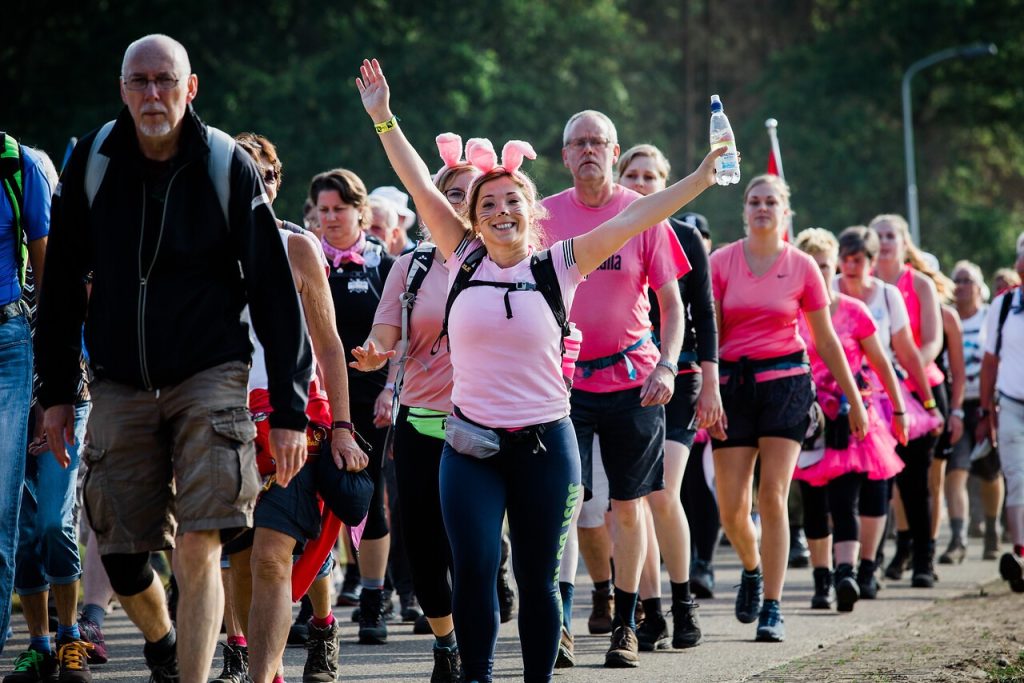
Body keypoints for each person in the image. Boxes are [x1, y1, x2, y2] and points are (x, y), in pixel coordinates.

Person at [355, 57, 722, 683]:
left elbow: (638, 215)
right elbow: (417, 182)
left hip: (547, 447)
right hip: (467, 445)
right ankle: (475, 676)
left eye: (512, 201)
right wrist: (384, 117)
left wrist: (701, 177)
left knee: (538, 581)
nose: (501, 211)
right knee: (472, 570)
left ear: (532, 211)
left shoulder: (561, 264)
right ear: (473, 216)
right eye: (488, 203)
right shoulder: (461, 254)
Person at [35, 35, 312, 682]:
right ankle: (163, 639)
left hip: (210, 375)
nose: (153, 94)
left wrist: (293, 410)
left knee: (201, 536)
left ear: (191, 89)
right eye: (140, 81)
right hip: (120, 381)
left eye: (166, 80)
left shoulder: (224, 163)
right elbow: (61, 283)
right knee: (124, 552)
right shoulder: (93, 162)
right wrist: (54, 392)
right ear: (122, 87)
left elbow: (275, 291)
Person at [541, 112, 690, 669]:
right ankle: (559, 624)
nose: (587, 150)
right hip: (563, 385)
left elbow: (673, 305)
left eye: (596, 141)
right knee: (566, 505)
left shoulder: (641, 212)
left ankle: (625, 627)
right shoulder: (545, 216)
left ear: (614, 148)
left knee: (627, 509)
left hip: (634, 381)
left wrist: (669, 366)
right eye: (576, 142)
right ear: (564, 155)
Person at [218, 132, 368, 683]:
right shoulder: (202, 246)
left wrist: (345, 428)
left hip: (293, 418)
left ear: (278, 183)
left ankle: (276, 666)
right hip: (222, 419)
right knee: (239, 553)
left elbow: (328, 345)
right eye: (244, 171)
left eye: (269, 175)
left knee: (271, 555)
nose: (258, 183)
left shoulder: (298, 248)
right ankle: (250, 653)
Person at [709, 175, 867, 643]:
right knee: (732, 510)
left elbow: (826, 340)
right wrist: (705, 390)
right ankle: (753, 569)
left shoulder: (802, 266)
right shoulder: (721, 262)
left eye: (771, 201)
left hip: (787, 386)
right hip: (733, 388)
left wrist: (855, 400)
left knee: (772, 496)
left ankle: (773, 607)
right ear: (744, 209)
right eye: (754, 201)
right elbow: (712, 338)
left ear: (785, 211)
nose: (762, 208)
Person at [350, 134, 482, 682]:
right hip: (424, 425)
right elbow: (388, 326)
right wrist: (376, 349)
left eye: (473, 196)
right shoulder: (412, 266)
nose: (462, 206)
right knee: (427, 549)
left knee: (474, 546)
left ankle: (480, 648)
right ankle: (447, 643)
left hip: (490, 428)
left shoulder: (507, 263)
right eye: (452, 194)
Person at [615, 143, 721, 651]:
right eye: (631, 175)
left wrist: (711, 382)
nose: (639, 184)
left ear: (667, 183)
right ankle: (650, 610)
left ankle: (683, 603)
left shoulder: (682, 236)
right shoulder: (607, 235)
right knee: (631, 499)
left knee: (663, 493)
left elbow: (703, 312)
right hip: (622, 381)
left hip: (678, 376)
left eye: (649, 177)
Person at [791, 228, 908, 613]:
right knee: (814, 504)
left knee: (846, 501)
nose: (819, 273)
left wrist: (901, 408)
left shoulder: (854, 311)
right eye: (812, 266)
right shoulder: (789, 314)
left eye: (825, 265)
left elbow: (881, 362)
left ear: (835, 266)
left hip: (851, 418)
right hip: (808, 422)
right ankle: (822, 580)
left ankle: (847, 575)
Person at [833, 225, 942, 596]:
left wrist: (928, 403)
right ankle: (867, 564)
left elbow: (907, 351)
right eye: (845, 258)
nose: (851, 266)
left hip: (887, 393)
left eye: (859, 258)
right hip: (844, 398)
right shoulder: (830, 290)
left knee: (910, 481)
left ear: (872, 259)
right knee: (855, 485)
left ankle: (923, 558)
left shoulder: (887, 295)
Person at [313, 167, 397, 645]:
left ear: (360, 211)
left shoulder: (382, 264)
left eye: (339, 210)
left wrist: (391, 390)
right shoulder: (305, 259)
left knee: (369, 494)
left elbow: (400, 339)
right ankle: (311, 599)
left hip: (371, 401)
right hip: (317, 399)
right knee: (313, 498)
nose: (330, 219)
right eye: (323, 211)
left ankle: (372, 599)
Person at [870, 214, 948, 587]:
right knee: (880, 481)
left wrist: (905, 361)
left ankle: (923, 557)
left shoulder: (918, 284)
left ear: (904, 243)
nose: (884, 241)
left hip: (919, 385)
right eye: (878, 235)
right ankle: (881, 556)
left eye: (890, 235)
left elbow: (933, 340)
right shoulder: (862, 284)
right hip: (875, 391)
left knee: (918, 481)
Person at [0, 132, 50, 662]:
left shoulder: (17, 164)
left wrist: (53, 388)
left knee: (3, 509)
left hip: (9, 344)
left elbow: (47, 274)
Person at [946, 261, 1004, 562]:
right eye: (957, 280)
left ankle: (993, 530)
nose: (961, 285)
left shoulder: (989, 317)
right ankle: (958, 539)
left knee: (989, 473)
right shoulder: (948, 318)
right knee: (955, 470)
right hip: (957, 404)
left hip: (986, 405)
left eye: (967, 280)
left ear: (978, 286)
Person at [982, 234, 1024, 591]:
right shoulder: (1004, 304)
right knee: (1015, 476)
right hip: (1011, 403)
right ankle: (1021, 554)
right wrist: (986, 410)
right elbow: (989, 360)